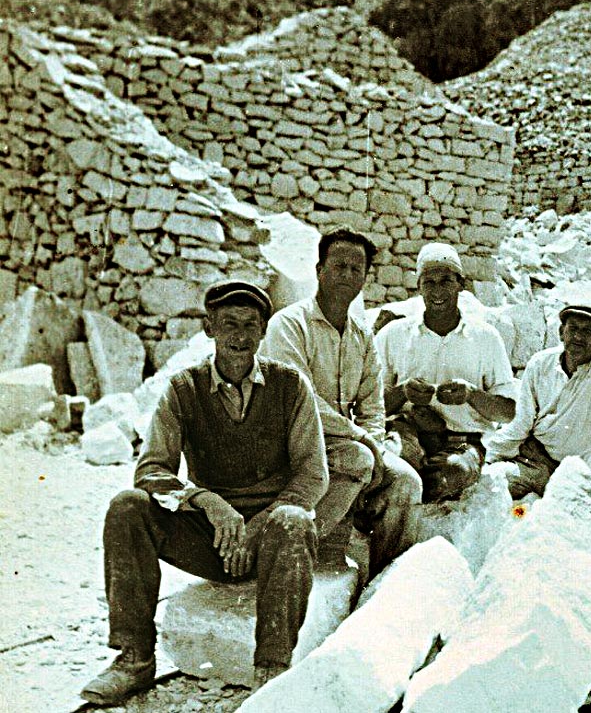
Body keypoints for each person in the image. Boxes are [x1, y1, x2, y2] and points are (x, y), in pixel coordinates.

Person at [82, 282, 327, 705]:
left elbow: (313, 474)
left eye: (251, 325)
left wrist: (259, 524)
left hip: (274, 542)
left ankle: (272, 666)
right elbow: (151, 469)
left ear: (264, 331)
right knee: (128, 508)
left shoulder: (290, 386)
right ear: (209, 328)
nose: (240, 336)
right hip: (211, 538)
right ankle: (134, 658)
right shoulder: (183, 389)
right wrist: (207, 502)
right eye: (229, 324)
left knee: (295, 519)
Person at [261, 227, 421, 577]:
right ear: (319, 270)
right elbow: (301, 402)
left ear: (365, 278)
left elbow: (372, 405)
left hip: (342, 442)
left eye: (356, 269)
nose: (348, 275)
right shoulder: (288, 325)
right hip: (289, 442)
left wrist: (375, 440)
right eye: (339, 266)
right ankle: (287, 553)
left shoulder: (362, 336)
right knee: (359, 457)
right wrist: (363, 440)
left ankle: (382, 581)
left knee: (407, 482)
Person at [376, 242, 517, 503]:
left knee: (450, 474)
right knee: (392, 463)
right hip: (407, 433)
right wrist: (403, 392)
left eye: (446, 281)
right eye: (429, 282)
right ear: (418, 286)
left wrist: (472, 395)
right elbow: (369, 407)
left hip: (462, 440)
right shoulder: (393, 335)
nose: (437, 290)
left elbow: (508, 412)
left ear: (461, 284)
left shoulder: (486, 337)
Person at [485, 303, 591, 497]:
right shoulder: (540, 363)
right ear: (561, 332)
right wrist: (490, 455)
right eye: (573, 329)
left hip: (578, 472)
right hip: (535, 460)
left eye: (587, 331)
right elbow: (522, 421)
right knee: (493, 485)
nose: (578, 337)